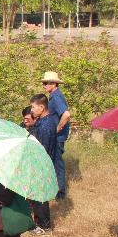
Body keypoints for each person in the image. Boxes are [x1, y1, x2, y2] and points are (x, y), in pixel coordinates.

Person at [28, 94, 59, 235]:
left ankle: (44, 225)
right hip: (40, 163)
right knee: (36, 195)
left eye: (33, 107)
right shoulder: (43, 121)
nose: (31, 110)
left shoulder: (46, 125)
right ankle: (39, 222)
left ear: (41, 107)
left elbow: (43, 149)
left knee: (39, 196)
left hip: (41, 164)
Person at [42, 71, 71, 200]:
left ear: (53, 84)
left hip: (57, 137)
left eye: (46, 83)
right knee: (53, 163)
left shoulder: (57, 97)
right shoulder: (54, 96)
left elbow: (66, 115)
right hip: (56, 136)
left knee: (57, 164)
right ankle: (54, 190)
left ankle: (60, 193)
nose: (44, 85)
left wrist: (57, 129)